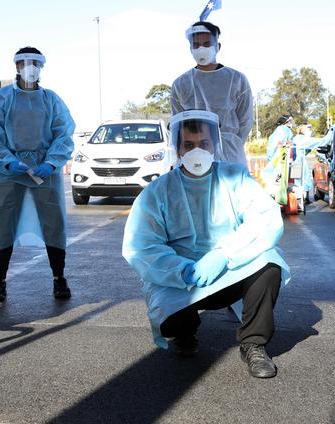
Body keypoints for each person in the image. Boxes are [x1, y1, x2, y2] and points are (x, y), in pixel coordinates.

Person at [122, 110, 290, 378]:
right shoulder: (157, 191)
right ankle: (184, 332)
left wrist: (225, 254)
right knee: (169, 320)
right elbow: (142, 246)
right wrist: (181, 269)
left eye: (204, 144)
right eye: (188, 145)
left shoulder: (234, 178)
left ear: (215, 145)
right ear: (177, 148)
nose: (197, 152)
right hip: (182, 279)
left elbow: (265, 218)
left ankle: (253, 344)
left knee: (269, 263)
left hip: (229, 268)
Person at [0, 47, 75, 302]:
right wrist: (7, 162)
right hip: (10, 172)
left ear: (42, 66)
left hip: (45, 171)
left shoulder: (51, 100)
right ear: (16, 66)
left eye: (35, 62)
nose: (30, 67)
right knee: (2, 225)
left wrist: (52, 162)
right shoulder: (0, 99)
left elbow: (63, 134)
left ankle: (59, 278)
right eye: (25, 62)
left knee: (53, 223)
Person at [170, 21, 254, 165]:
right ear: (190, 48)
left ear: (218, 46)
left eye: (207, 44)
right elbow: (178, 124)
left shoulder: (237, 80)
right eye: (196, 45)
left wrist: (229, 142)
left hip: (230, 154)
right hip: (193, 157)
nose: (201, 48)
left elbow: (245, 121)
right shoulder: (181, 84)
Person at [291, 124, 331, 203]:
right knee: (304, 180)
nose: (310, 131)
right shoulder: (305, 139)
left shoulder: (296, 138)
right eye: (308, 129)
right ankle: (304, 199)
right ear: (303, 131)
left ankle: (298, 199)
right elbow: (322, 141)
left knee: (296, 181)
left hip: (294, 162)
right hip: (299, 162)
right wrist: (330, 133)